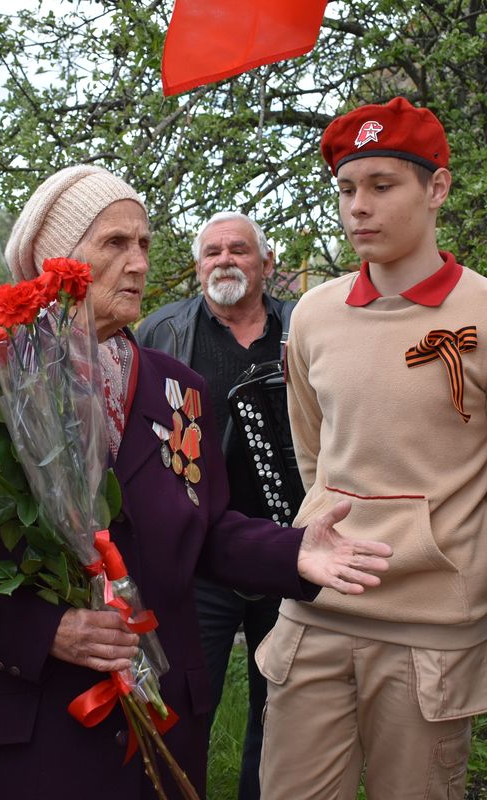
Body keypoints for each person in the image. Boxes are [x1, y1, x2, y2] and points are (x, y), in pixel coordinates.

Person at [0, 165, 392, 799]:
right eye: (115, 244)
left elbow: (204, 531)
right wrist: (48, 630)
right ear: (56, 259)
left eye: (145, 244)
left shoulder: (178, 388)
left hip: (162, 711)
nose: (138, 264)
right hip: (39, 721)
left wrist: (292, 550)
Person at [258, 97, 487, 800]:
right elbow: (314, 452)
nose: (357, 207)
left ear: (437, 188)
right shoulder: (313, 315)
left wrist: (466, 568)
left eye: (381, 185)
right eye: (345, 189)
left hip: (430, 628)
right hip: (314, 608)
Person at [136, 211, 292, 799]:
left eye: (240, 250)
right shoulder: (161, 331)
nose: (225, 261)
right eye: (213, 253)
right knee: (182, 700)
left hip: (283, 547)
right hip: (197, 557)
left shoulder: (305, 327)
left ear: (266, 264)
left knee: (279, 706)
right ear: (198, 266)